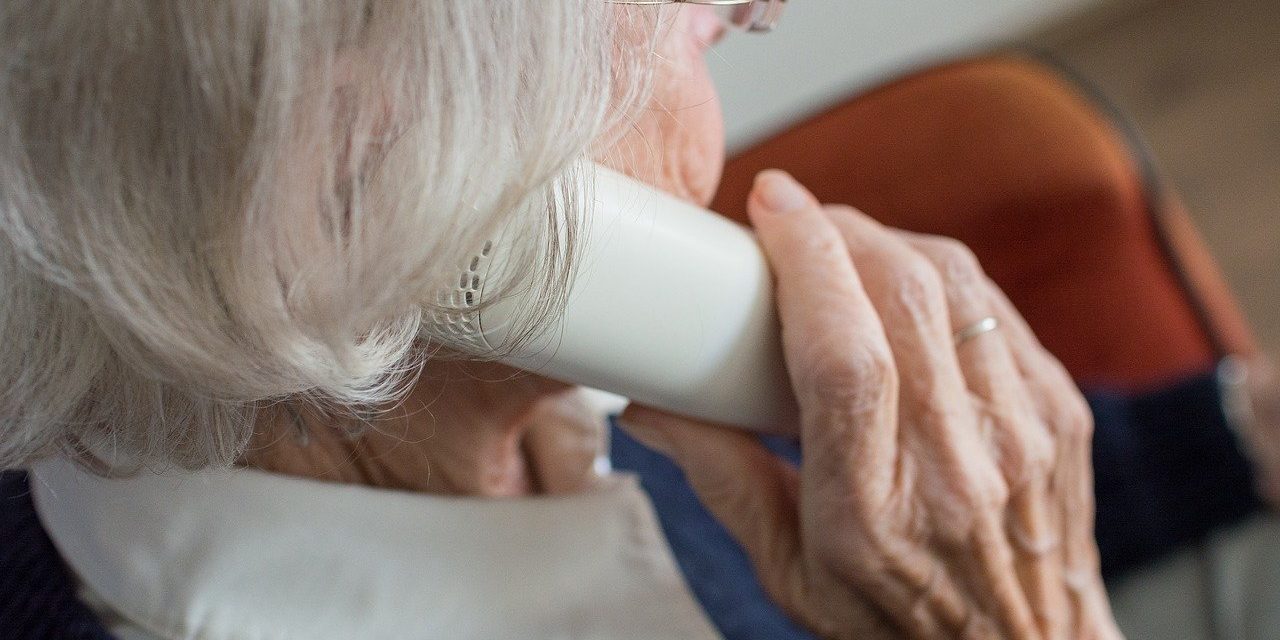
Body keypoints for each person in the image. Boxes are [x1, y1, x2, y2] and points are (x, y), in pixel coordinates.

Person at [0, 1, 1142, 637]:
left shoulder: (519, 358)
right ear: (357, 181)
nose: (760, 6)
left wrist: (1227, 431)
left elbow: (897, 514)